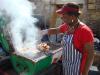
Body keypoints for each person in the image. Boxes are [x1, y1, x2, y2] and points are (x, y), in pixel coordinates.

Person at [41, 2, 94, 75]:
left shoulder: (85, 31)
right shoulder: (67, 26)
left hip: (78, 69)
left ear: (72, 16)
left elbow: (90, 55)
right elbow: (56, 30)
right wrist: (43, 32)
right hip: (66, 64)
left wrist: (84, 73)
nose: (61, 17)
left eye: (63, 15)